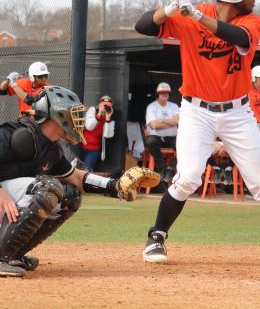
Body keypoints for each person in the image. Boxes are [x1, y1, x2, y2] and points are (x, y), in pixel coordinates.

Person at [134, 0, 260, 265]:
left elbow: (239, 38)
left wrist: (198, 16)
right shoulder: (190, 13)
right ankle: (157, 237)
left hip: (237, 112)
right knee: (188, 177)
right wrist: (172, 7)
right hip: (196, 111)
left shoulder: (251, 21)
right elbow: (143, 26)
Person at [0, 86, 154, 277]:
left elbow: (77, 177)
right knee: (48, 188)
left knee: (70, 196)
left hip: (7, 206)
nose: (77, 119)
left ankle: (13, 253)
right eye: (72, 114)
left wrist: (116, 186)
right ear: (57, 115)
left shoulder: (52, 149)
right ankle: (2, 258)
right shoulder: (15, 133)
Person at [144, 83, 179, 182]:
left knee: (184, 144)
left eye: (167, 92)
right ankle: (163, 168)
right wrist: (170, 122)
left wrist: (162, 120)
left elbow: (177, 121)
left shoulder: (174, 106)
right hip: (156, 137)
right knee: (150, 141)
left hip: (172, 137)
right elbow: (154, 126)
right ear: (157, 94)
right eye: (162, 93)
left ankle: (171, 168)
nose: (165, 94)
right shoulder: (151, 107)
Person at [79, 95, 115, 170]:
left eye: (107, 106)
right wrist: (98, 115)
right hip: (80, 146)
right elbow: (89, 126)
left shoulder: (109, 118)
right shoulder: (93, 110)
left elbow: (108, 135)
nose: (104, 108)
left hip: (93, 150)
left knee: (86, 170)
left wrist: (108, 118)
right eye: (103, 106)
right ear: (99, 105)